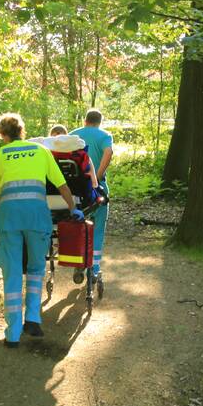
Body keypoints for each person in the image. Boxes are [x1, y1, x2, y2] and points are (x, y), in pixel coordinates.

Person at [0, 112, 82, 348]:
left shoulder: (1, 153)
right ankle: (33, 320)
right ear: (22, 131)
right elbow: (62, 185)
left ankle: (12, 334)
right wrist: (73, 209)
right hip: (36, 217)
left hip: (10, 218)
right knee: (36, 267)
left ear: (2, 134)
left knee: (12, 272)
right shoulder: (41, 151)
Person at [71, 109, 113, 287]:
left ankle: (79, 262)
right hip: (97, 189)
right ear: (99, 122)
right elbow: (108, 152)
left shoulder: (73, 135)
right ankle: (94, 267)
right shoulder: (104, 136)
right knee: (98, 228)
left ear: (85, 120)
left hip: (75, 190)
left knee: (77, 225)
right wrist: (99, 175)